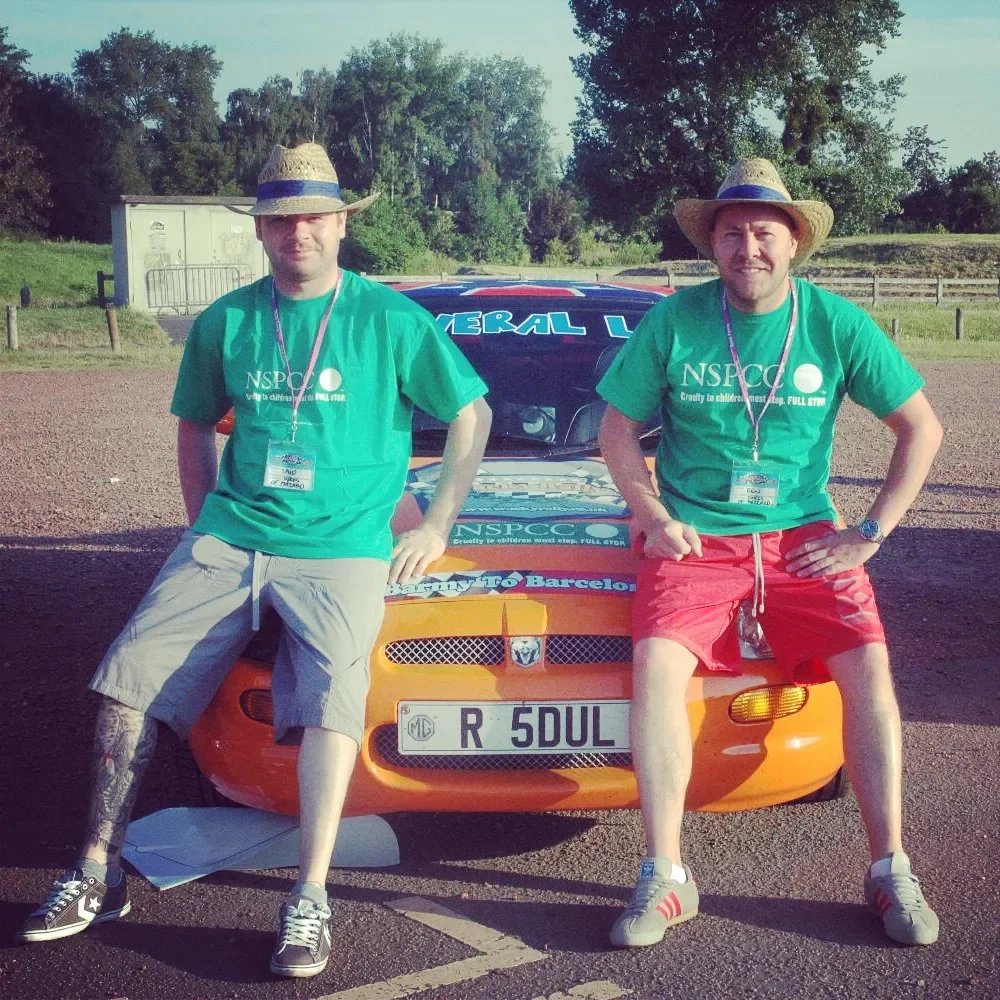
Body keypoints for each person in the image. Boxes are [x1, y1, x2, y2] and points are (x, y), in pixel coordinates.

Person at [17, 141, 492, 979]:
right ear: (262, 233)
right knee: (128, 679)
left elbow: (471, 414)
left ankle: (309, 897)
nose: (296, 232)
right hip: (233, 537)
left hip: (344, 545)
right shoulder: (228, 320)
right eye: (279, 220)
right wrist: (202, 526)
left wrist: (435, 524)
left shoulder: (390, 318)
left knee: (332, 705)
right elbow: (195, 424)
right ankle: (96, 868)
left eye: (312, 216)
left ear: (343, 224)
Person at [597, 158, 943, 949]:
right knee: (655, 665)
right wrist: (650, 513)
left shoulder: (836, 322)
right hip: (697, 533)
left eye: (763, 232)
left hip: (806, 537)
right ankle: (665, 873)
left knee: (871, 670)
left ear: (793, 243)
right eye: (731, 234)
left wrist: (871, 531)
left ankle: (889, 867)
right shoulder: (676, 319)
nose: (747, 248)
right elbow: (617, 428)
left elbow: (921, 427)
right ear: (711, 245)